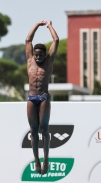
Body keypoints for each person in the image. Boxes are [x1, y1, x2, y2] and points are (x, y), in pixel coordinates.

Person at [25, 20, 59, 174]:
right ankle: (36, 160)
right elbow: (28, 40)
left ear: (45, 55)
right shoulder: (30, 61)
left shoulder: (49, 62)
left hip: (44, 97)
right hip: (32, 97)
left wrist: (49, 26)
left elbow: (56, 40)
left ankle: (46, 159)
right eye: (36, 54)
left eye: (40, 55)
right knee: (33, 131)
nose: (38, 56)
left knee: (44, 129)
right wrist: (37, 24)